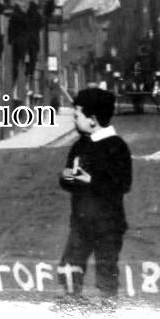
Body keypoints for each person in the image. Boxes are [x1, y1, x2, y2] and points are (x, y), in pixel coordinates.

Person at [58, 87, 132, 299]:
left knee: (106, 271)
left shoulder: (116, 147)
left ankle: (107, 311)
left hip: (109, 224)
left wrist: (90, 180)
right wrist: (68, 177)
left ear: (92, 119)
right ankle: (73, 307)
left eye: (76, 116)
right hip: (81, 222)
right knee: (70, 269)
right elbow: (67, 178)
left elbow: (123, 184)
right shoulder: (79, 145)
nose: (74, 120)